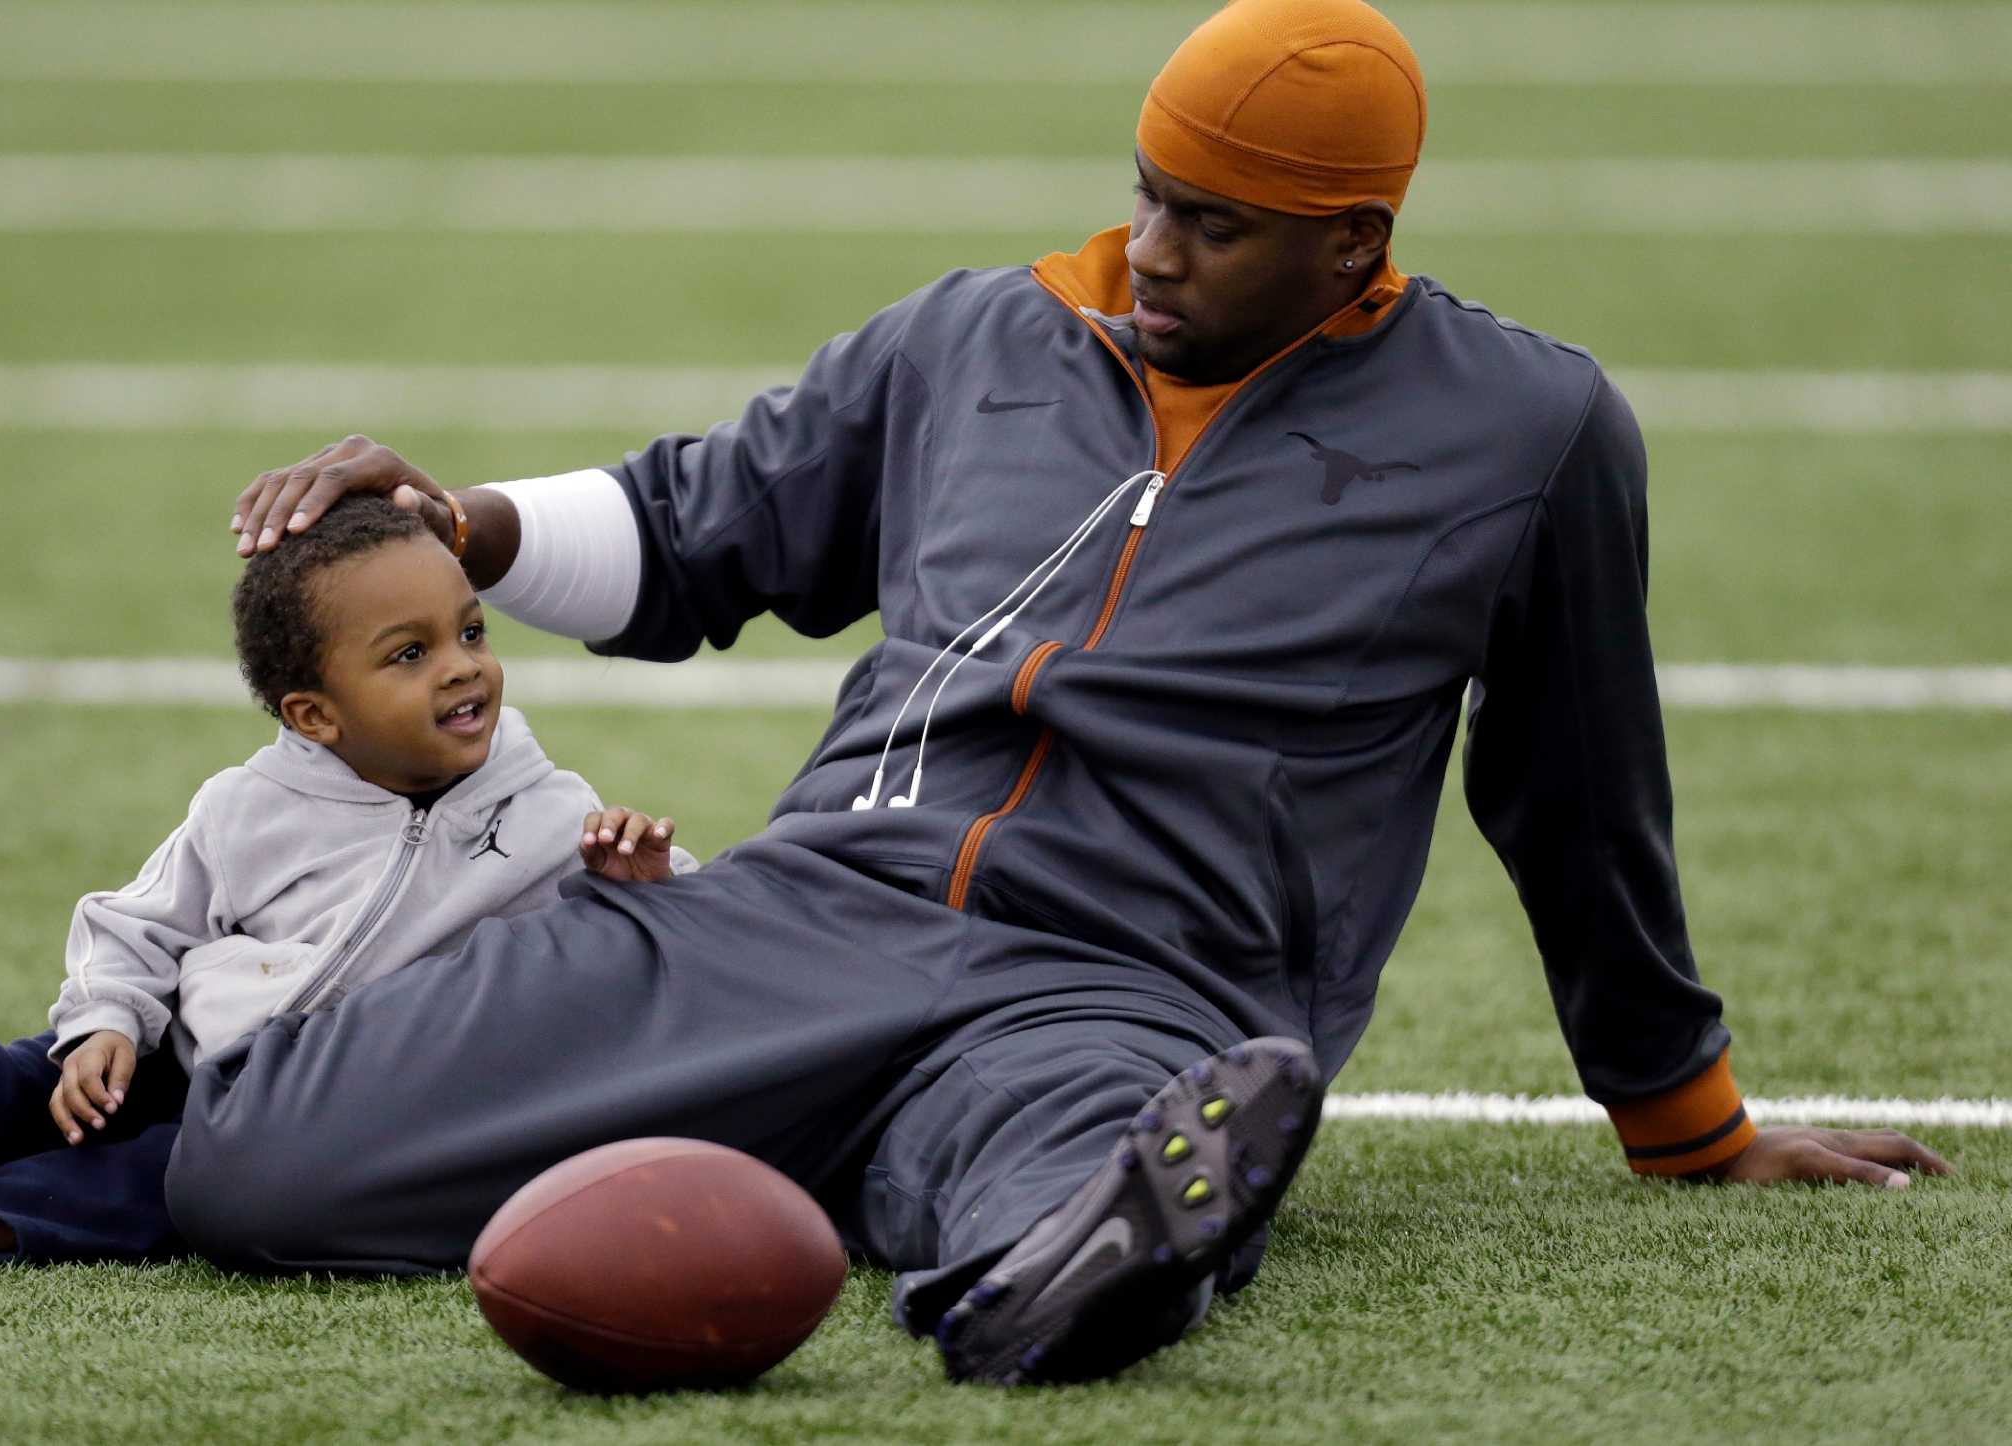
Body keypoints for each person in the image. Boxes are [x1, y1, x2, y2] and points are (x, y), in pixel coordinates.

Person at [195, 0, 1947, 1385]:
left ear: (1352, 243)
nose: (1156, 248)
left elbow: (1575, 794)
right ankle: (864, 1165)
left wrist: (1685, 1124)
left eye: (1215, 224)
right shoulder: (980, 335)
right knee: (258, 1166)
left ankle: (1045, 1259)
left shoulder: (1527, 431)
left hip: (1121, 980)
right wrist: (462, 522)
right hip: (799, 914)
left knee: (1081, 1172)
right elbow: (697, 527)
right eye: (1147, 195)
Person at [0, 497, 691, 1266]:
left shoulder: (552, 812)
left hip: (311, 1113)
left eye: (471, 632)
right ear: (315, 716)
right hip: (183, 1049)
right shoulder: (248, 805)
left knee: (138, 1186)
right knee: (12, 1082)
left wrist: (639, 884)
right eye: (410, 654)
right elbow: (140, 924)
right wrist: (105, 1021)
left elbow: (655, 961)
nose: (463, 666)